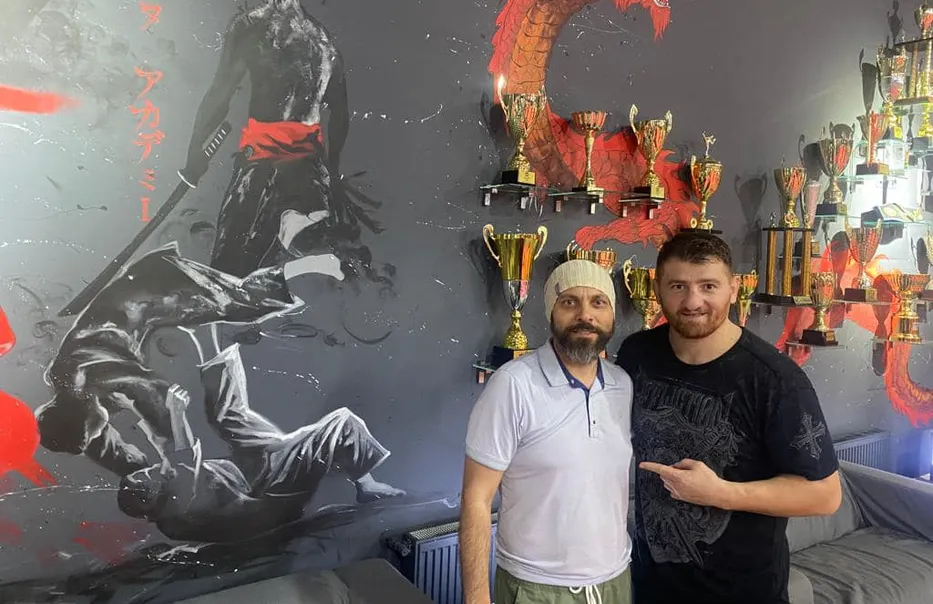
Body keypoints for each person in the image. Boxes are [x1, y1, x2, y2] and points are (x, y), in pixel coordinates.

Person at [615, 231, 842, 604]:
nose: (693, 301)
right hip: (651, 589)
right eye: (678, 286)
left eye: (708, 286)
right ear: (657, 290)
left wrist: (720, 493)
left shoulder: (775, 379)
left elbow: (825, 495)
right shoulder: (636, 354)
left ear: (734, 289)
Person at [34, 241, 344, 477]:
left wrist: (168, 445)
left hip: (153, 291)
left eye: (92, 431)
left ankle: (311, 264)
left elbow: (153, 393)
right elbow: (104, 446)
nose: (99, 433)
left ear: (81, 416)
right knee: (233, 295)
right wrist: (140, 471)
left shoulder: (90, 375)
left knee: (239, 302)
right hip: (144, 308)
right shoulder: (75, 397)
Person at [179, 0, 385, 286]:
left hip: (261, 162)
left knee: (227, 275)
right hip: (309, 168)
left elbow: (219, 95)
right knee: (265, 257)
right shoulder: (323, 40)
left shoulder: (251, 27)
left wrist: (194, 157)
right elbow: (340, 114)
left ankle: (295, 233)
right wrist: (332, 173)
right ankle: (298, 229)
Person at [460, 259, 634, 604]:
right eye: (570, 302)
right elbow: (476, 498)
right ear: (551, 312)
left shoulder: (623, 385)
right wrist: (477, 597)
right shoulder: (513, 385)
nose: (585, 315)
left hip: (614, 583)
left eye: (598, 302)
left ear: (612, 315)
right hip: (536, 588)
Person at [117, 343, 405, 543]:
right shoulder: (176, 509)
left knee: (227, 417)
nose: (156, 469)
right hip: (271, 499)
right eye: (151, 475)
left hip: (249, 477)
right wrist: (177, 413)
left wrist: (135, 408)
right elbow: (182, 460)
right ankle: (367, 485)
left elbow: (169, 457)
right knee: (340, 423)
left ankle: (216, 346)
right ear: (152, 497)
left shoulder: (166, 499)